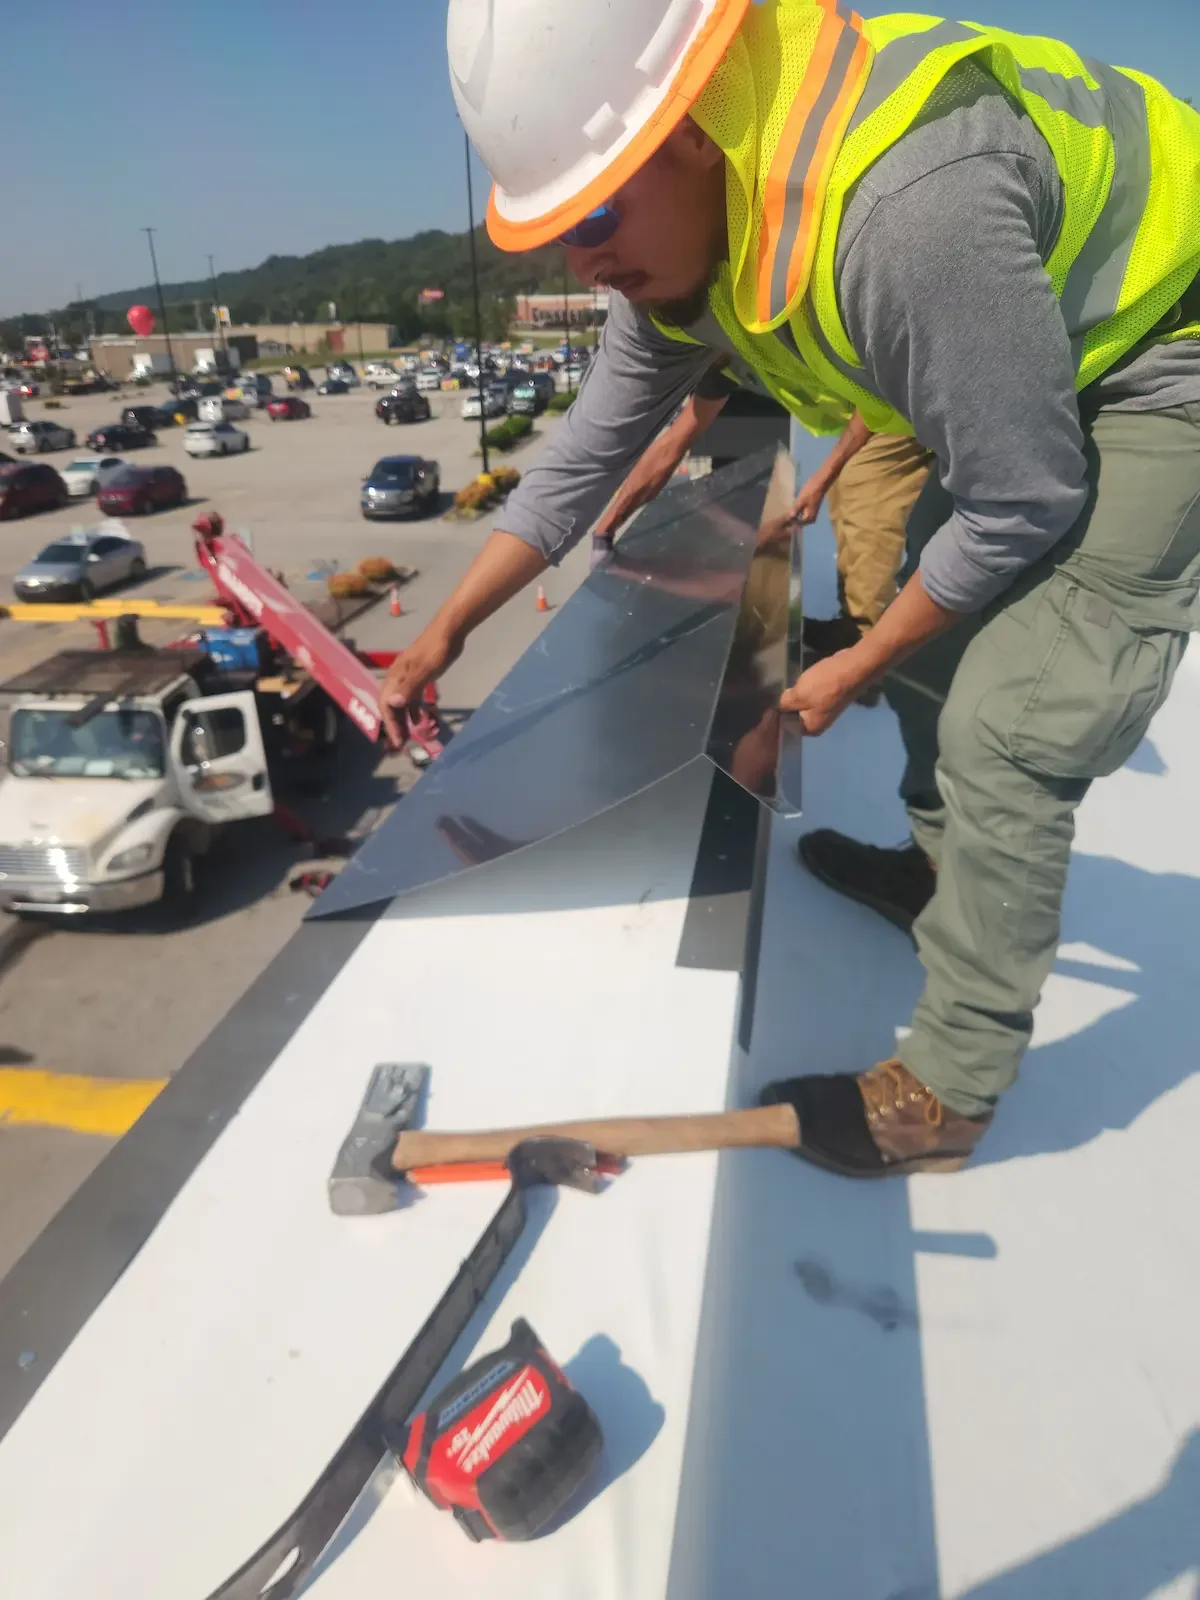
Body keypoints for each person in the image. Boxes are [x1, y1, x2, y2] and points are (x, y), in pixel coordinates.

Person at [384, 0, 1200, 1177]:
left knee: (1011, 724)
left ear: (691, 131)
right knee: (926, 639)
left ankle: (948, 1095)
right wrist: (447, 630)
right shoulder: (685, 245)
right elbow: (583, 460)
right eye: (557, 234)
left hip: (1159, 346)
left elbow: (1023, 498)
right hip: (1039, 339)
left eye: (598, 211)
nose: (586, 260)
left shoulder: (906, 218)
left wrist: (858, 659)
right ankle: (937, 875)